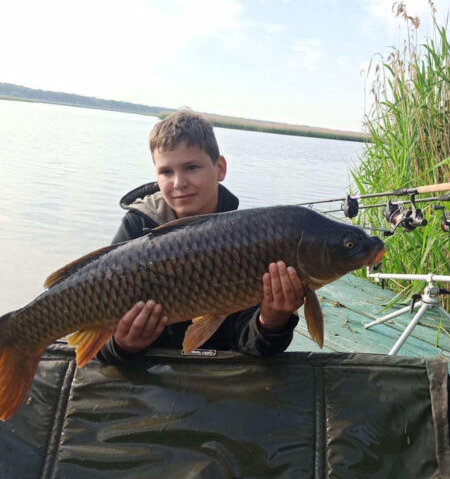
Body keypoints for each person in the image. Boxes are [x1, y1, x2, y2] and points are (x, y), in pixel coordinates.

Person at [97, 109, 303, 363]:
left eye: (191, 167)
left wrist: (272, 321)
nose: (179, 183)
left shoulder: (245, 238)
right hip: (147, 369)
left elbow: (250, 343)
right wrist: (122, 345)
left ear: (220, 168)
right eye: (166, 172)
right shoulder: (137, 227)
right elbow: (98, 349)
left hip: (216, 371)